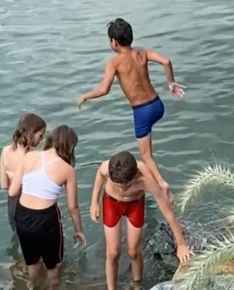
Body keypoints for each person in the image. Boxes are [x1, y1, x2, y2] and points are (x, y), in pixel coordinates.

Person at [77, 18, 184, 192]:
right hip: (157, 105)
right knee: (147, 149)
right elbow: (166, 61)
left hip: (142, 111)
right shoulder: (142, 52)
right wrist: (171, 82)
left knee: (146, 155)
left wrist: (85, 96)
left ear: (114, 42)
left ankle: (162, 184)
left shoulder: (114, 62)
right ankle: (151, 179)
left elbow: (104, 89)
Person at [90, 150, 192, 290]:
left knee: (133, 251)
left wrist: (181, 244)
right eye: (119, 186)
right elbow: (99, 176)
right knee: (113, 252)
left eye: (128, 185)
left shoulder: (146, 179)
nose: (123, 189)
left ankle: (137, 285)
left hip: (134, 205)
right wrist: (94, 202)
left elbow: (168, 212)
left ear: (136, 175)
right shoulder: (106, 168)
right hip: (111, 204)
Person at [7, 125, 86, 290]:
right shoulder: (67, 169)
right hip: (46, 219)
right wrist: (79, 230)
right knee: (54, 263)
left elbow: (12, 192)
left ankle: (31, 285)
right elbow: (73, 207)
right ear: (70, 147)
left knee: (32, 260)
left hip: (22, 215)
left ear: (50, 140)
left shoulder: (28, 156)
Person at [0, 113, 46, 226]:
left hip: (12, 205)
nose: (41, 139)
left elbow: (4, 185)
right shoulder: (34, 157)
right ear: (31, 133)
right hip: (29, 205)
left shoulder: (5, 151)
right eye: (40, 135)